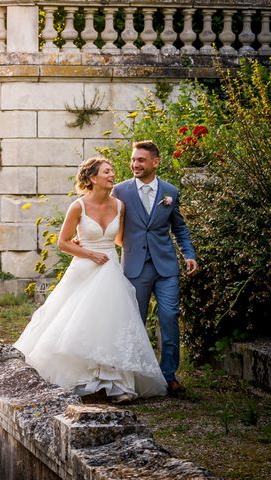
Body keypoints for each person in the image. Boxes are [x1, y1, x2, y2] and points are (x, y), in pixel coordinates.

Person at [14, 157, 167, 403]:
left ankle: (115, 381)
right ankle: (84, 378)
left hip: (111, 268)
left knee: (112, 320)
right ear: (93, 178)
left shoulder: (119, 205)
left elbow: (118, 240)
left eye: (112, 171)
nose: (112, 174)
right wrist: (88, 251)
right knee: (78, 321)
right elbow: (63, 243)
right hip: (85, 268)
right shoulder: (78, 207)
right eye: (106, 172)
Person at [112, 140, 198, 395]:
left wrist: (188, 254)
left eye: (141, 160)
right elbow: (107, 220)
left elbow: (179, 227)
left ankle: (169, 375)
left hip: (166, 266)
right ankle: (136, 377)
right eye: (133, 159)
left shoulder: (170, 192)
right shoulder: (120, 191)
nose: (135, 164)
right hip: (135, 266)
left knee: (169, 317)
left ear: (155, 162)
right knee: (134, 322)